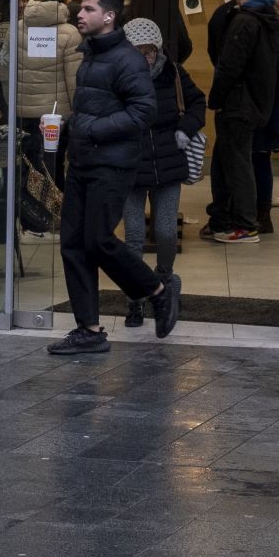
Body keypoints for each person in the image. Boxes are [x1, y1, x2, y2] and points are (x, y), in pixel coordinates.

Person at [49, 0, 182, 355]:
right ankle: (89, 330)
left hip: (113, 163)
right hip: (83, 161)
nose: (80, 14)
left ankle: (157, 290)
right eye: (81, 7)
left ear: (108, 17)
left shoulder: (127, 59)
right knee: (73, 244)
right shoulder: (90, 55)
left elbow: (144, 111)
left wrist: (92, 129)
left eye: (88, 9)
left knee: (98, 240)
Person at [120, 18, 206, 327]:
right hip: (130, 168)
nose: (146, 57)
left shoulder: (175, 75)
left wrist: (185, 128)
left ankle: (164, 282)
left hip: (168, 165)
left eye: (150, 50)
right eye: (138, 51)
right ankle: (135, 300)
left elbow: (198, 103)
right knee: (133, 237)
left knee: (167, 232)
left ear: (158, 50)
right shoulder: (118, 78)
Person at [205, 0, 278, 244]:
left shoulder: (244, 20)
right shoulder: (269, 18)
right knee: (233, 161)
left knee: (238, 163)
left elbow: (229, 65)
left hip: (238, 103)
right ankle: (227, 219)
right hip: (254, 102)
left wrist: (216, 98)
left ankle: (246, 225)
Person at [16, 0, 82, 181]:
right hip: (56, 116)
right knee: (54, 167)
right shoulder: (71, 33)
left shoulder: (17, 28)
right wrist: (76, 113)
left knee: (27, 168)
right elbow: (74, 81)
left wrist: (14, 102)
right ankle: (53, 209)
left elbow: (5, 70)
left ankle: (29, 211)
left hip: (23, 112)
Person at [251, 0, 279, 235]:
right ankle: (261, 212)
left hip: (263, 111)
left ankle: (260, 213)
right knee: (260, 160)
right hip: (272, 111)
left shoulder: (273, 39)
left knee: (258, 160)